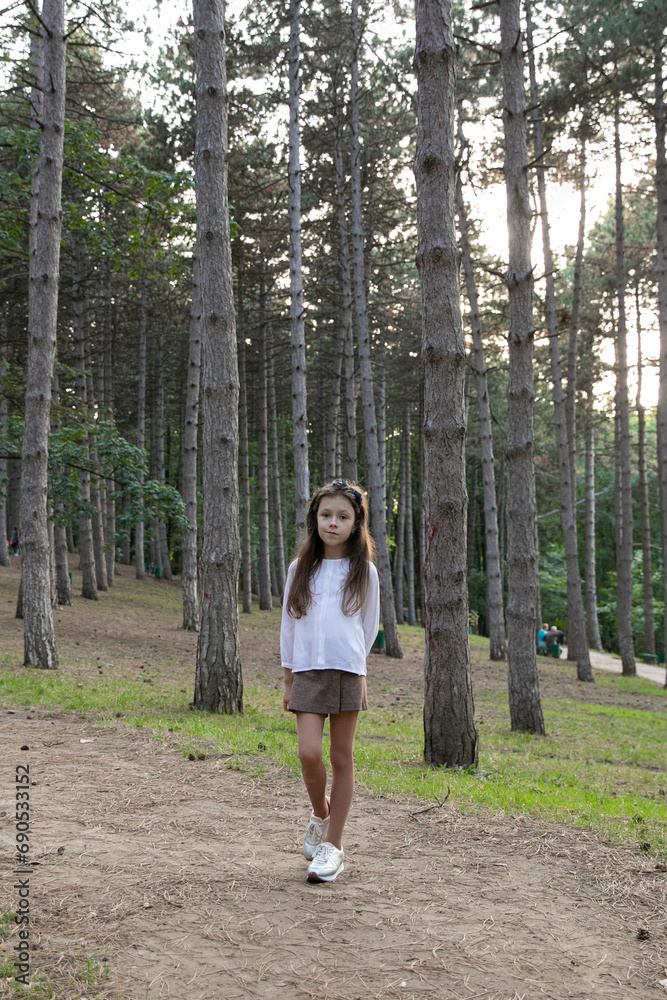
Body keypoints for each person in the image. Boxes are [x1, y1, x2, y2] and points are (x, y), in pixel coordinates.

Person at [280, 479, 380, 883]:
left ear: (356, 524)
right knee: (309, 754)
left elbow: (368, 627)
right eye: (326, 515)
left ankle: (333, 847)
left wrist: (354, 663)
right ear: (315, 519)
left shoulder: (364, 572)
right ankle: (321, 814)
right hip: (306, 671)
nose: (333, 523)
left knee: (341, 757)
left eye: (342, 516)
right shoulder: (300, 569)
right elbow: (289, 624)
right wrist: (289, 678)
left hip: (347, 671)